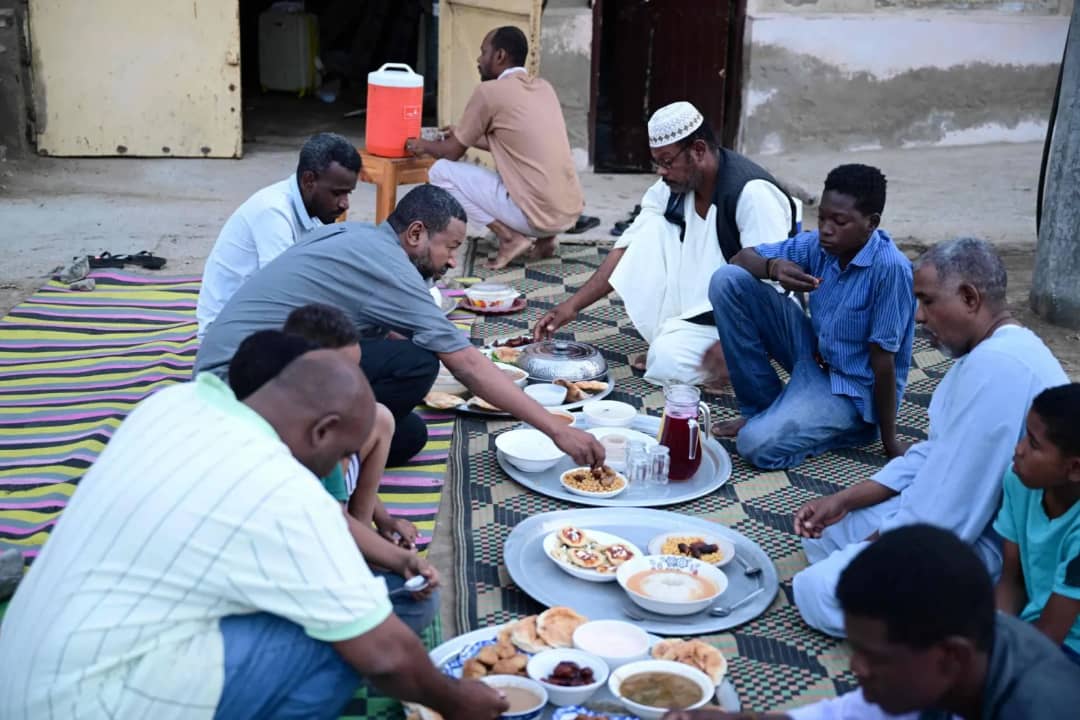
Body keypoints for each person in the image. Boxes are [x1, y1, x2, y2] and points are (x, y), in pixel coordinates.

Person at [0, 348, 508, 720]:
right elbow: (385, 656)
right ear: (322, 430)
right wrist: (456, 701)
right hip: (94, 701)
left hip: (24, 679)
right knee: (360, 635)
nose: (341, 468)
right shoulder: (282, 489)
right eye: (343, 454)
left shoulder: (176, 402)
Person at [194, 183, 605, 468]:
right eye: (451, 247)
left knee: (406, 435)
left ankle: (319, 445)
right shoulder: (389, 267)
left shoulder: (359, 235)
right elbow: (466, 364)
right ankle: (297, 452)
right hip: (238, 387)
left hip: (224, 375)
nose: (451, 261)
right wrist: (555, 429)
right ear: (415, 233)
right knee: (417, 362)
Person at [792, 238, 1069, 637]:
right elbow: (933, 454)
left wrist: (873, 549)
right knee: (827, 533)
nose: (919, 317)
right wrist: (844, 500)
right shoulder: (987, 353)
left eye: (927, 301)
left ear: (970, 298)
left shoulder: (1000, 367)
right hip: (951, 515)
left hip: (985, 547)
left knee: (815, 591)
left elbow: (950, 513)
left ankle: (945, 622)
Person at [660, 525, 1080, 720]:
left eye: (874, 657)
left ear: (952, 657)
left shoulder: (1044, 708)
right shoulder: (963, 653)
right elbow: (853, 713)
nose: (854, 667)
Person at [533, 101, 798, 388]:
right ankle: (687, 341)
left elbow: (771, 287)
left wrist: (732, 341)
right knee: (650, 227)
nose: (661, 171)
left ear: (698, 150)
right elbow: (628, 248)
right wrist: (572, 306)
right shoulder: (674, 186)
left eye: (667, 162)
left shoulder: (752, 195)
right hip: (702, 307)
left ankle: (744, 354)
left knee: (666, 361)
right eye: (657, 163)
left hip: (753, 316)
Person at [227, 327, 439, 636]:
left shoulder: (303, 439)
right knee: (407, 606)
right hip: (258, 611)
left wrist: (398, 556)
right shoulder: (269, 471)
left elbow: (333, 515)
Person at [706, 164, 915, 468]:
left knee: (753, 445)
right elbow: (740, 258)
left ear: (871, 223)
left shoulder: (891, 270)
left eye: (839, 221)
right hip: (815, 355)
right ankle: (760, 409)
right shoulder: (819, 245)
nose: (827, 229)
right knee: (727, 280)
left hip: (852, 391)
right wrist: (773, 267)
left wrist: (890, 440)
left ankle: (854, 428)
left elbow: (884, 363)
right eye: (822, 217)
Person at [405, 25, 584, 269]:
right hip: (566, 214)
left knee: (440, 172)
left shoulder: (489, 92)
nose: (479, 60)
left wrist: (422, 144)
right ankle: (546, 239)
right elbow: (518, 145)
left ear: (499, 56)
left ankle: (509, 238)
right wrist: (462, 134)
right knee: (528, 172)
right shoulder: (544, 88)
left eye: (483, 52)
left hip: (534, 216)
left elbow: (452, 153)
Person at [196, 132, 360, 339]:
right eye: (337, 193)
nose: (345, 204)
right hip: (228, 336)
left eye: (348, 193)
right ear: (308, 180)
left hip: (262, 319)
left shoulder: (315, 210)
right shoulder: (273, 212)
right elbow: (284, 296)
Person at [994, 382, 1080, 663]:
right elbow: (1012, 581)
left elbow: (1050, 637)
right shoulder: (1018, 481)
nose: (1018, 449)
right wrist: (994, 635)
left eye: (1033, 444)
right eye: (1024, 435)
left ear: (1074, 468)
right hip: (1034, 629)